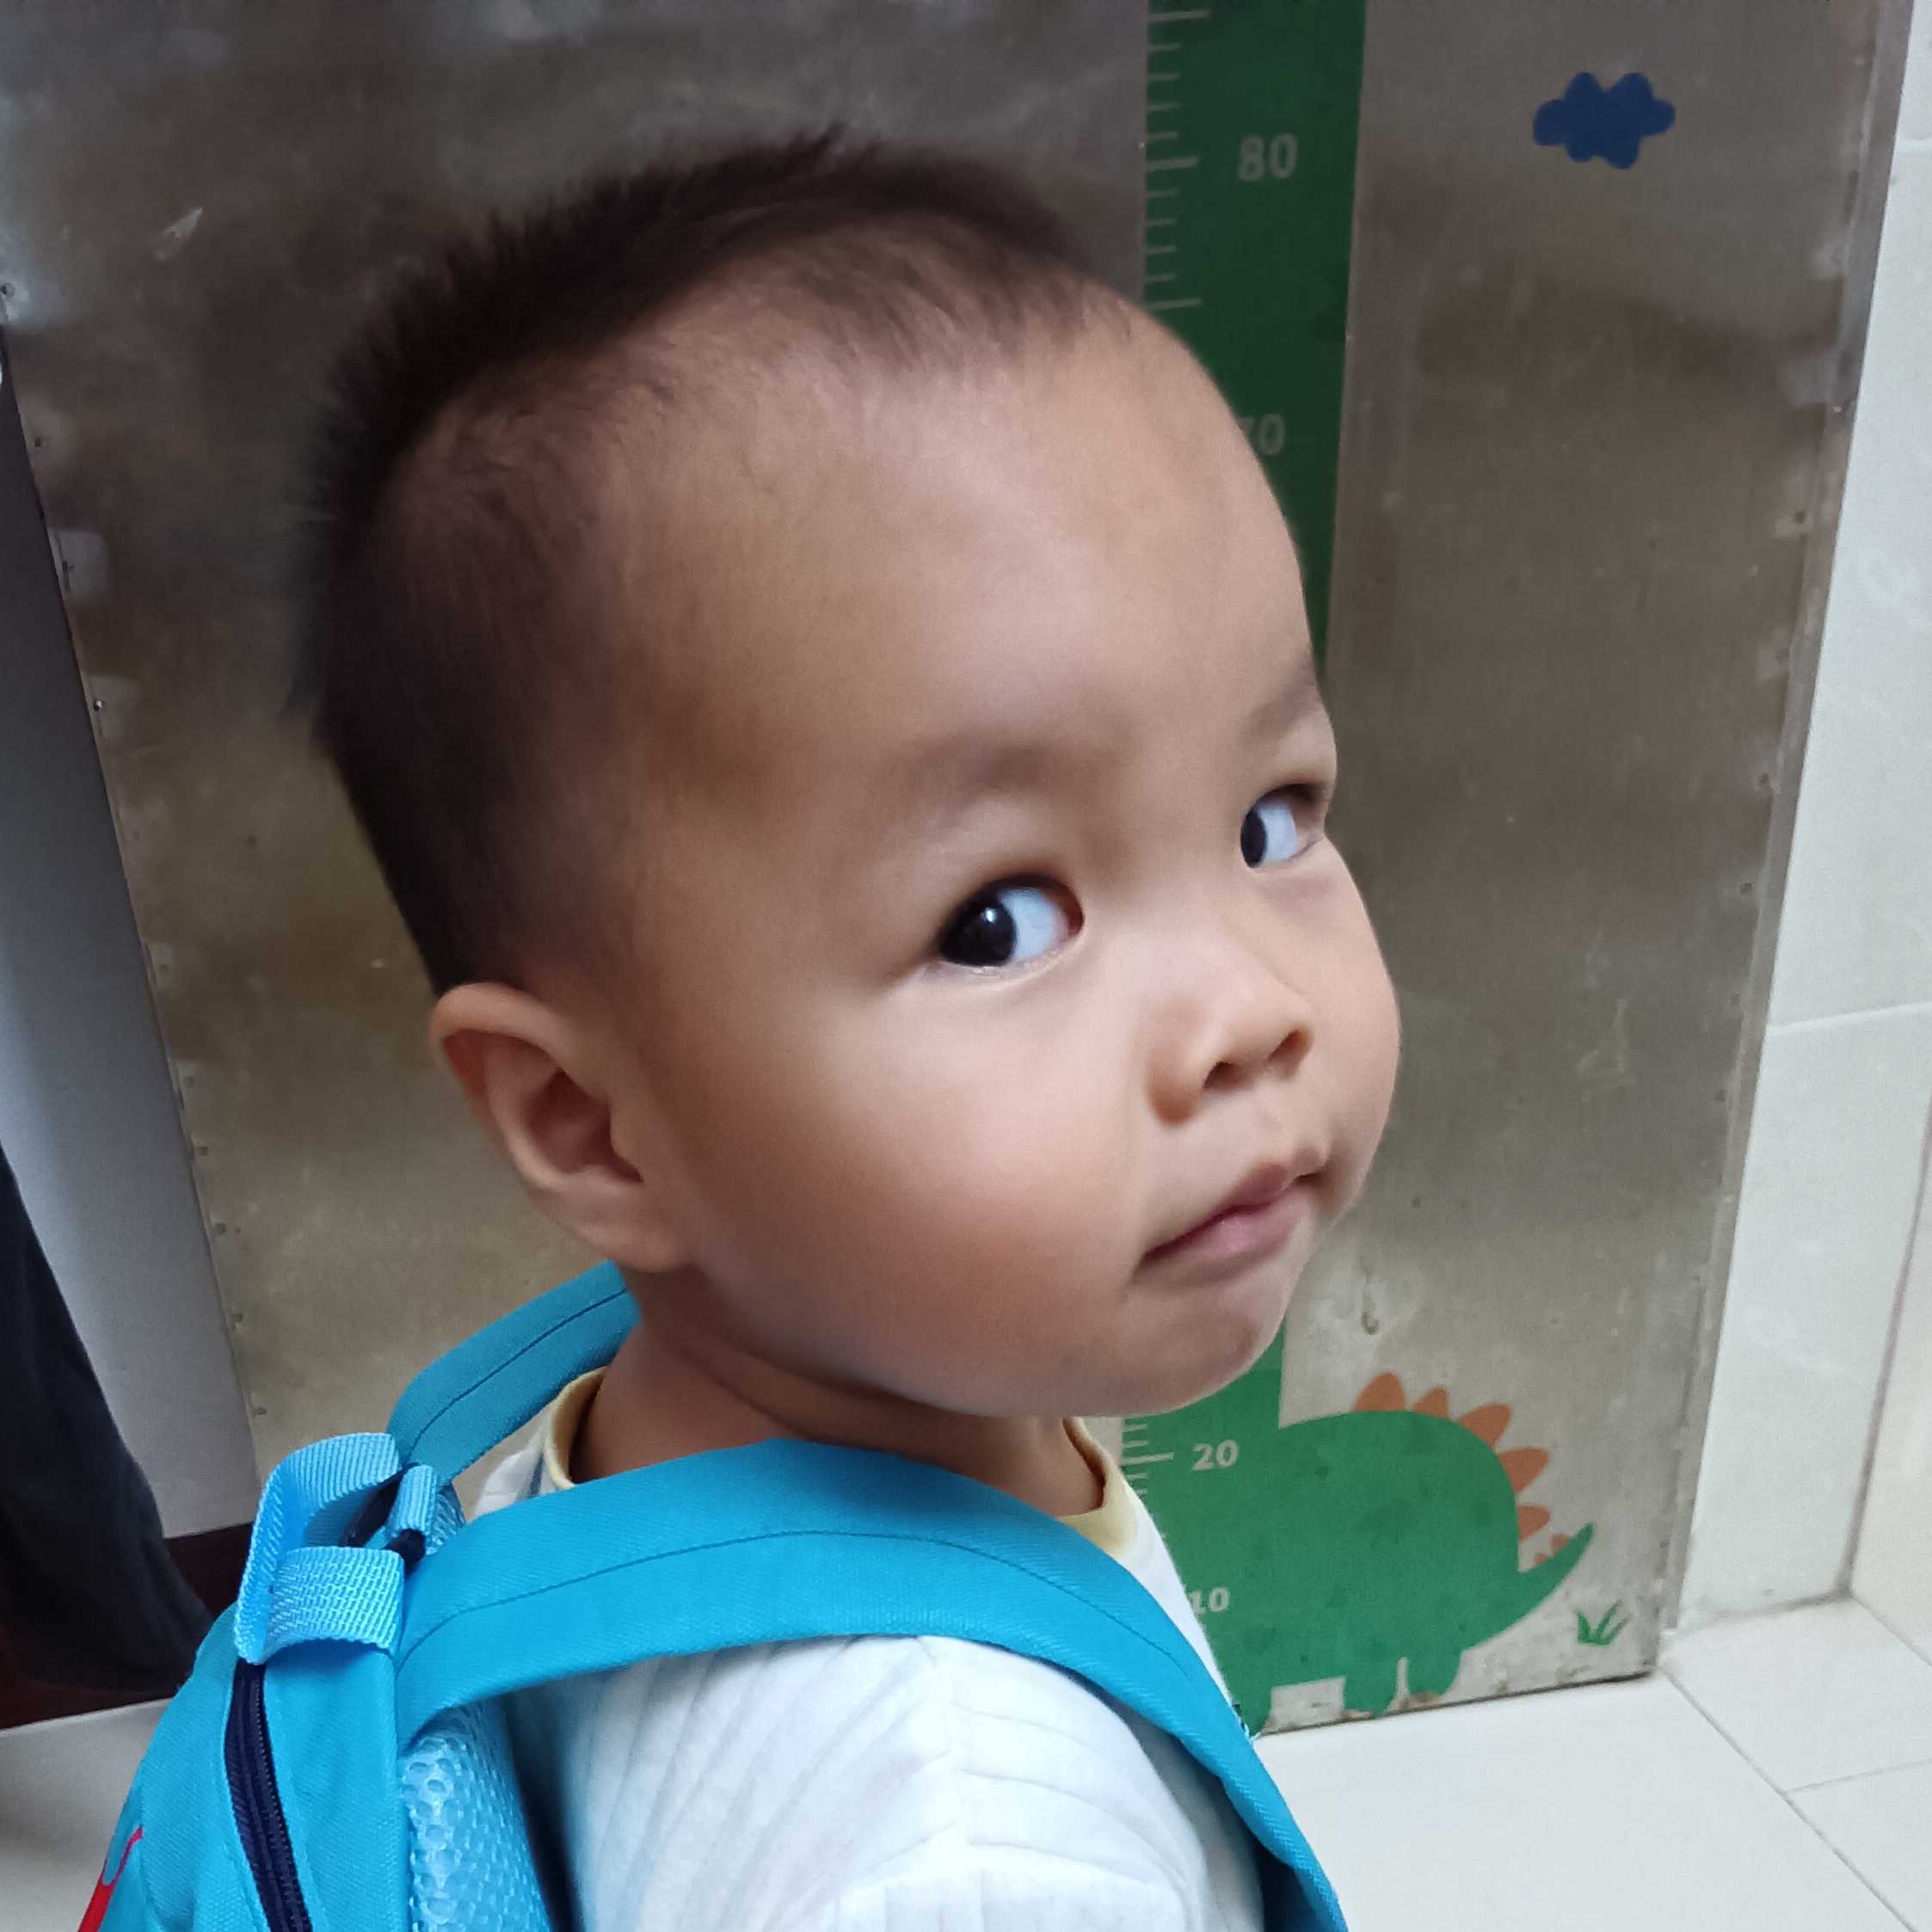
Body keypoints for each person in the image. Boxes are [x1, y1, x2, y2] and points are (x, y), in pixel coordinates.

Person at [298, 133, 1400, 1932]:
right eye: (998, 920)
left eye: (1270, 817)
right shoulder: (977, 1844)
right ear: (587, 1124)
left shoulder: (600, 1429)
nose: (1250, 1012)